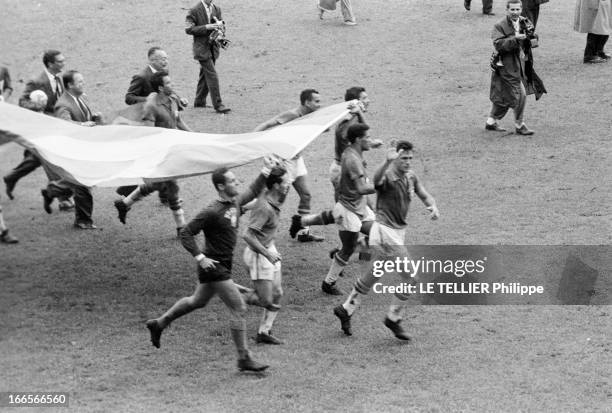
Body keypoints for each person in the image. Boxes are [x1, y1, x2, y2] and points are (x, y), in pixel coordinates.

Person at [145, 157, 279, 372]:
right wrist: (200, 257)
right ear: (220, 186)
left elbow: (253, 190)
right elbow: (187, 233)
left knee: (197, 301)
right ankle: (243, 358)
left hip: (221, 265)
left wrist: (266, 170)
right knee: (239, 308)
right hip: (214, 267)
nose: (237, 183)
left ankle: (159, 323)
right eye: (232, 181)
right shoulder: (211, 211)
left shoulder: (234, 203)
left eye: (236, 180)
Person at [333, 140, 439, 340]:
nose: (407, 162)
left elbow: (424, 194)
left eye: (410, 158)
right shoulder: (388, 176)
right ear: (395, 158)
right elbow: (376, 180)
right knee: (411, 278)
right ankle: (393, 318)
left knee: (374, 273)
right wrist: (385, 162)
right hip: (385, 232)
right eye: (403, 158)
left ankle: (346, 308)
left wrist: (433, 206)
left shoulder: (411, 176)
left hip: (397, 232)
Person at [114, 72, 192, 236]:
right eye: (169, 83)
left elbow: (178, 121)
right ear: (161, 87)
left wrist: (193, 134)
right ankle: (181, 228)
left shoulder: (171, 100)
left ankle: (125, 203)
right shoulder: (152, 105)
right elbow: (149, 132)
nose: (172, 85)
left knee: (160, 184)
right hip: (160, 152)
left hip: (171, 149)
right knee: (172, 185)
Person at [3, 50, 73, 211]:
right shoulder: (36, 81)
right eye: (60, 61)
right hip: (42, 128)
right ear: (50, 64)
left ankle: (11, 177)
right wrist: (38, 107)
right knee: (52, 160)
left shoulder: (60, 79)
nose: (63, 63)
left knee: (35, 159)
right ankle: (63, 199)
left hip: (55, 126)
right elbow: (22, 101)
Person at [254, 89, 324, 243]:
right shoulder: (293, 115)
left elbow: (326, 127)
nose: (320, 104)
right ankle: (246, 213)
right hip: (284, 160)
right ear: (307, 102)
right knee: (276, 199)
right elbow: (269, 123)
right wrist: (250, 138)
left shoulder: (311, 115)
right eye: (317, 101)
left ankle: (303, 233)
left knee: (306, 195)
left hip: (297, 159)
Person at [119, 46, 188, 202]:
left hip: (162, 120)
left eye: (166, 58)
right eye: (162, 59)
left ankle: (165, 196)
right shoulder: (141, 77)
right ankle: (128, 189)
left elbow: (167, 89)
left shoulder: (163, 75)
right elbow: (129, 98)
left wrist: (179, 98)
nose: (166, 61)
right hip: (148, 121)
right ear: (152, 60)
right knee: (153, 161)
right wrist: (152, 100)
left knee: (163, 162)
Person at [321, 123, 376, 295]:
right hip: (348, 210)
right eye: (367, 138)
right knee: (348, 249)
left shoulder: (353, 152)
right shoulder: (352, 159)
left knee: (379, 233)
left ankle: (355, 258)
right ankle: (328, 283)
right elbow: (361, 188)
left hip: (358, 206)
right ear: (358, 139)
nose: (370, 140)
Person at [242, 167, 291, 345]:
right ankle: (233, 293)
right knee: (266, 300)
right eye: (285, 182)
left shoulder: (275, 197)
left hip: (270, 250)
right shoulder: (264, 207)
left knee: (277, 293)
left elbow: (284, 191)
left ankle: (264, 332)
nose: (289, 184)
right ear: (276, 185)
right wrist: (267, 254)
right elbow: (248, 236)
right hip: (259, 255)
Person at [48, 70, 102, 230]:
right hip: (73, 151)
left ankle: (54, 189)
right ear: (70, 85)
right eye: (80, 82)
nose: (83, 84)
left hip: (84, 149)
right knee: (83, 184)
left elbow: (83, 118)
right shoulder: (63, 104)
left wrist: (93, 120)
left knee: (85, 180)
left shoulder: (79, 98)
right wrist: (83, 125)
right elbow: (64, 125)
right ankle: (83, 220)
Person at [485, 0, 546, 135]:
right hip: (505, 65)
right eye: (512, 10)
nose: (515, 12)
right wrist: (516, 39)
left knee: (502, 95)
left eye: (517, 9)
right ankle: (520, 125)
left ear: (521, 9)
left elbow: (533, 40)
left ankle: (491, 121)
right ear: (507, 10)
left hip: (521, 63)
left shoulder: (524, 21)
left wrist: (532, 37)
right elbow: (499, 45)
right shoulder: (499, 25)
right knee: (519, 94)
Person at [185, 0, 231, 113]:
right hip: (201, 50)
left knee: (204, 75)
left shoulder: (217, 9)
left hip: (213, 48)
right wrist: (207, 27)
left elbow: (221, 26)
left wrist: (220, 28)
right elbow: (188, 29)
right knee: (212, 75)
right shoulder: (194, 10)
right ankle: (218, 104)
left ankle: (199, 101)